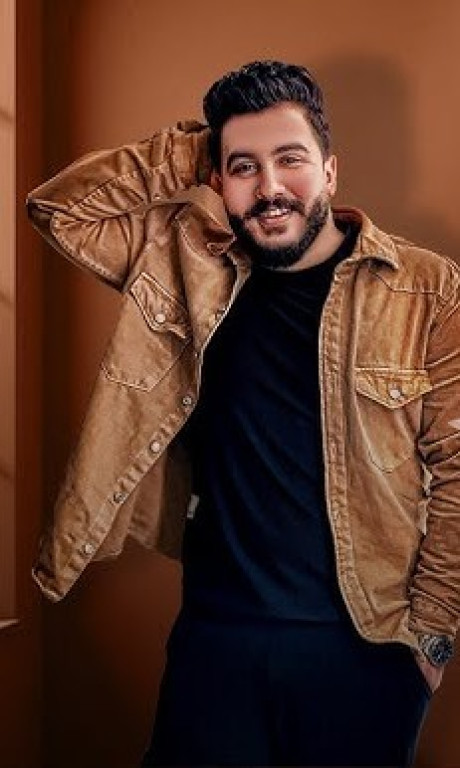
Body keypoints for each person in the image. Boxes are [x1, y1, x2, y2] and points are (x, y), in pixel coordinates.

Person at [27, 60, 460, 767]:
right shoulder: (185, 268)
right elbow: (59, 210)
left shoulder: (426, 289)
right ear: (217, 178)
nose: (269, 188)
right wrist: (191, 151)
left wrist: (431, 640)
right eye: (242, 167)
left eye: (290, 160)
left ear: (330, 171)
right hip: (215, 642)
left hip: (367, 652)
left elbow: (457, 470)